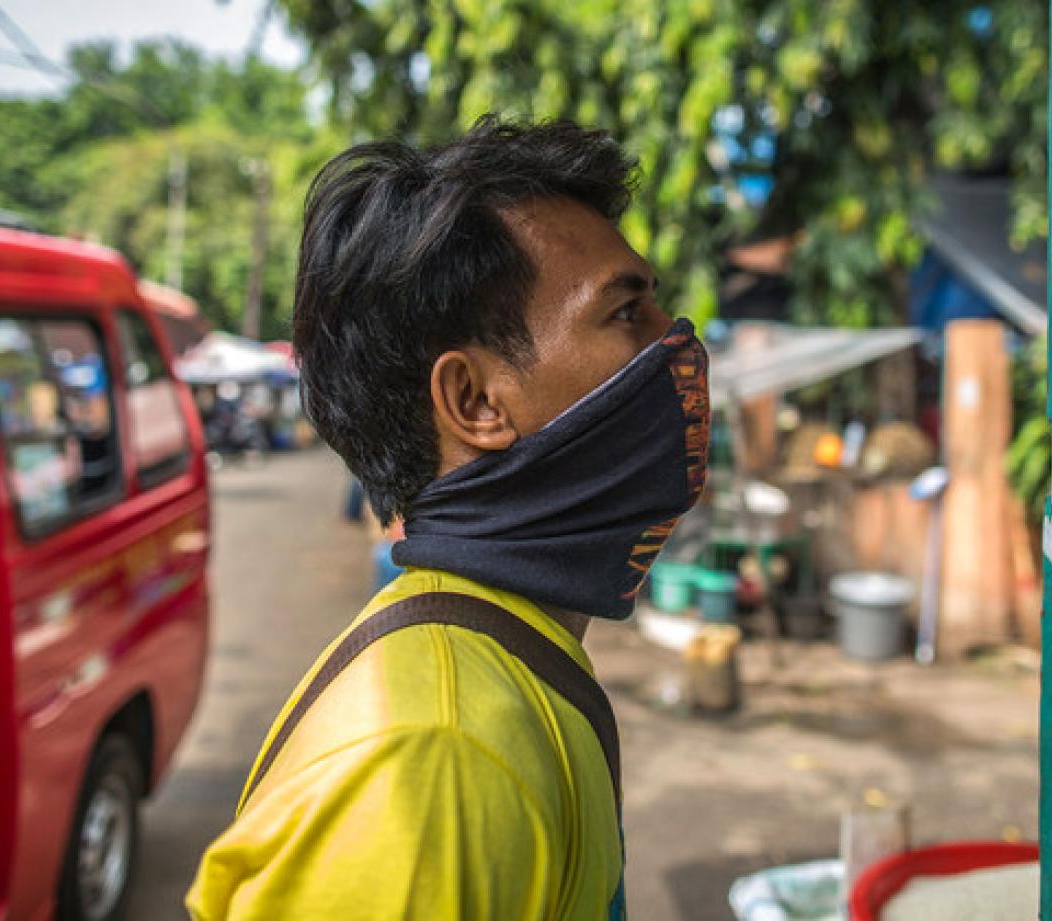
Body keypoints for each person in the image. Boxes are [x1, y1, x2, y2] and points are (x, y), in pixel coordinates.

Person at [186, 117, 710, 920]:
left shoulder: (506, 659)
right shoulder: (436, 763)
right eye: (624, 314)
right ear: (473, 402)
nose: (674, 345)